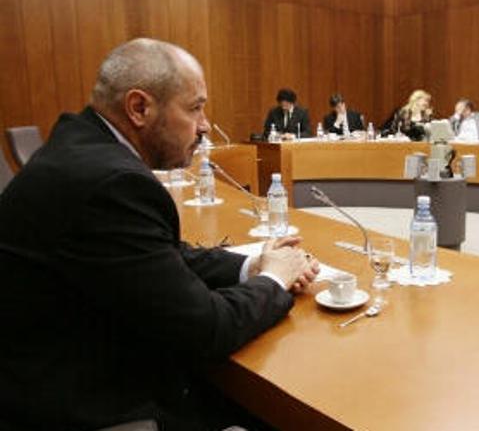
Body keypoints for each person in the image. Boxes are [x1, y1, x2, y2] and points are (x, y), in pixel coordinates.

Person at [0, 38, 320, 431]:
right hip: (87, 404)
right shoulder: (111, 183)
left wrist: (253, 265)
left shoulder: (83, 146)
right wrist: (274, 279)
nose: (205, 125)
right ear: (139, 108)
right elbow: (208, 330)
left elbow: (162, 255)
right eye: (195, 108)